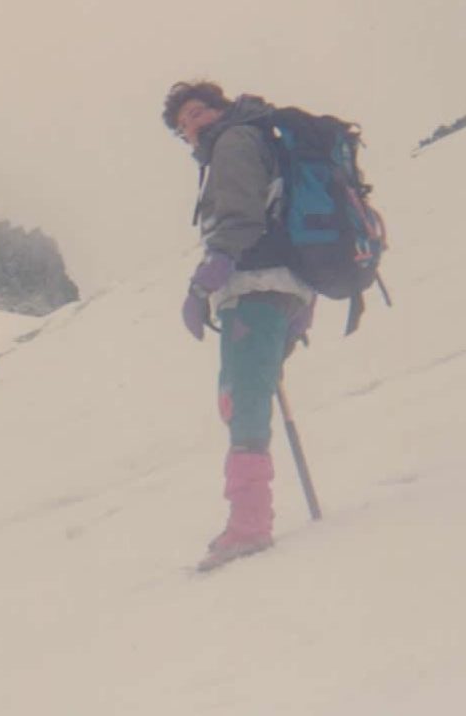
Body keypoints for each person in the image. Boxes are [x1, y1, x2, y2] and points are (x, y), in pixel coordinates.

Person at [162, 80, 315, 571]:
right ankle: (249, 519)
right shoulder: (249, 140)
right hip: (280, 287)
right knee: (247, 393)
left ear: (219, 110)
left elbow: (239, 219)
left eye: (198, 112)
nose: (192, 125)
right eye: (183, 124)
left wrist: (203, 283)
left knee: (242, 399)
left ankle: (249, 525)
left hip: (255, 287)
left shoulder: (233, 143)